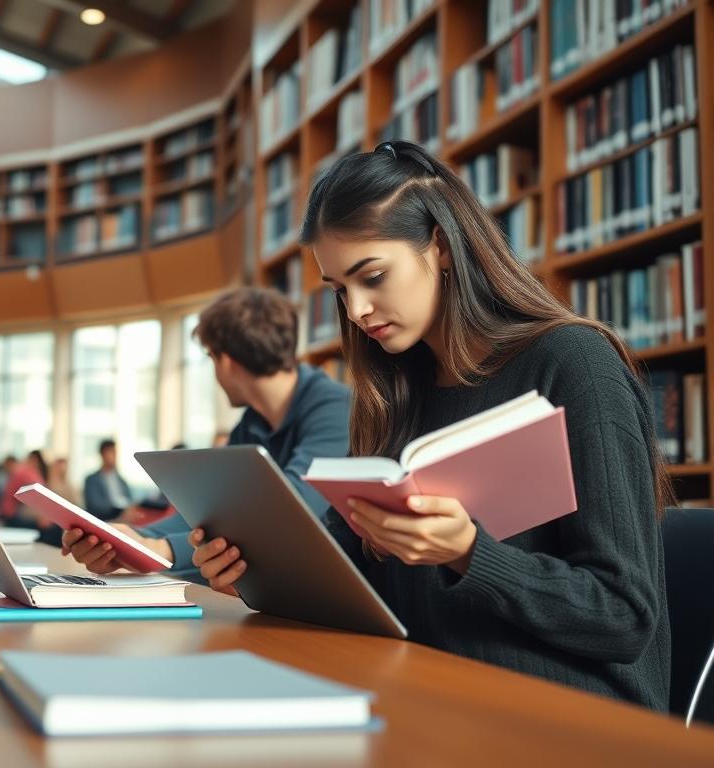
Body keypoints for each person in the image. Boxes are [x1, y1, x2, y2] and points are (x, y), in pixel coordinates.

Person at [190, 141, 670, 710]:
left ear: (440, 246)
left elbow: (623, 616)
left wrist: (469, 551)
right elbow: (358, 589)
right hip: (433, 693)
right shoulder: (399, 395)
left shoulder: (574, 364)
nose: (357, 310)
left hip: (566, 715)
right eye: (340, 290)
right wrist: (254, 573)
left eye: (372, 276)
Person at [63, 286, 351, 578]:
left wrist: (160, 549)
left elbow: (287, 513)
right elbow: (209, 516)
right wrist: (127, 541)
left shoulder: (336, 408)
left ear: (225, 361)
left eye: (210, 359)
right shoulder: (253, 424)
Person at [82, 439, 132, 521]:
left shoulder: (122, 481)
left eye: (115, 453)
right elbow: (94, 506)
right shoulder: (91, 480)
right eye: (111, 452)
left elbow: (130, 502)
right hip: (104, 520)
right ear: (102, 454)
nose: (115, 456)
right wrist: (117, 509)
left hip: (124, 520)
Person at [0, 449, 48, 528]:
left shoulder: (23, 471)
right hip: (12, 515)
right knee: (49, 527)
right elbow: (36, 498)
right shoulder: (27, 473)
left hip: (9, 513)